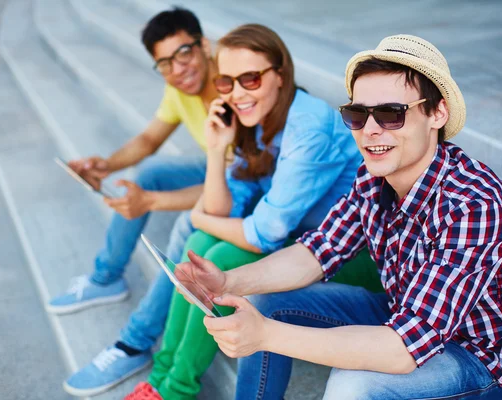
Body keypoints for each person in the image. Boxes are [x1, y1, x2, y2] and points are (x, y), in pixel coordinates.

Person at [175, 35, 502, 399]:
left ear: (437, 113)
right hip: (401, 310)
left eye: (390, 113)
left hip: (478, 356)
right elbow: (317, 252)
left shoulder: (472, 206)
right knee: (264, 300)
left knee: (353, 383)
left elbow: (403, 349)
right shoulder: (373, 176)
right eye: (358, 113)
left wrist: (265, 334)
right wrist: (225, 283)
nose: (370, 130)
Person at [123, 24, 380, 400]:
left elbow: (265, 233)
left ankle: (175, 390)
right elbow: (221, 207)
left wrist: (198, 216)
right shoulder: (255, 122)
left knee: (222, 253)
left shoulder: (308, 127)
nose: (237, 93)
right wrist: (215, 149)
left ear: (280, 75)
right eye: (227, 82)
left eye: (250, 79)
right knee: (200, 242)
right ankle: (161, 378)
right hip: (304, 240)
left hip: (354, 254)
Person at [54, 8, 219, 397]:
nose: (178, 69)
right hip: (219, 168)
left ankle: (134, 341)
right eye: (164, 63)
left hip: (244, 183)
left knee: (188, 227)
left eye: (183, 53)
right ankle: (105, 276)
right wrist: (105, 165)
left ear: (204, 45)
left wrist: (151, 203)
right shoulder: (180, 86)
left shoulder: (235, 86)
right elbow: (148, 141)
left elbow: (233, 186)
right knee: (148, 174)